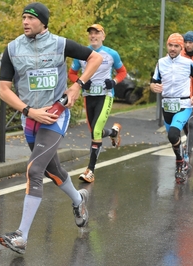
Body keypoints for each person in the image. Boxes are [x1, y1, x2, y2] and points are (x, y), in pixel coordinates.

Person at [0, 2, 103, 254]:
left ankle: (21, 236)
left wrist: (78, 85)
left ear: (43, 22)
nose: (25, 22)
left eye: (31, 18)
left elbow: (95, 58)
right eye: (23, 17)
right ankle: (79, 200)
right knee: (51, 170)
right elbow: (3, 89)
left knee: (34, 170)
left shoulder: (59, 44)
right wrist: (28, 111)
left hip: (55, 116)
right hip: (31, 118)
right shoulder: (12, 49)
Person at [68, 24, 127, 183]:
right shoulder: (81, 54)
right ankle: (114, 132)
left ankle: (90, 171)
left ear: (103, 36)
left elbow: (122, 72)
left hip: (105, 96)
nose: (93, 36)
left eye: (97, 33)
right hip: (89, 97)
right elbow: (72, 73)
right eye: (91, 34)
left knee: (96, 132)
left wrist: (113, 82)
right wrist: (80, 82)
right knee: (96, 132)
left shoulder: (111, 54)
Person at [150, 33, 193, 183]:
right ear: (166, 46)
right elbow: (153, 82)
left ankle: (180, 164)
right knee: (173, 139)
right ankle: (182, 161)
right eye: (170, 45)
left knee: (174, 134)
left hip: (184, 105)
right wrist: (154, 87)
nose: (173, 49)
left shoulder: (188, 63)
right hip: (167, 105)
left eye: (176, 46)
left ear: (181, 47)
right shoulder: (161, 63)